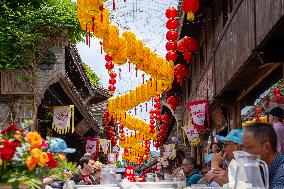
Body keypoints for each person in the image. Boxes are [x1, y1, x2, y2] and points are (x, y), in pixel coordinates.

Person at [242, 122, 284, 189]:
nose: (243, 151)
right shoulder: (260, 165)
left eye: (247, 146)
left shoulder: (281, 172)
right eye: (242, 146)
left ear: (266, 147)